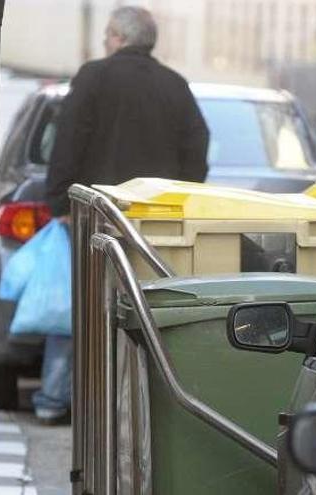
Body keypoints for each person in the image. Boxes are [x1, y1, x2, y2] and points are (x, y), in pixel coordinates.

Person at [41, 6, 210, 423]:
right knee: (146, 312)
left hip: (96, 217)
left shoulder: (94, 77)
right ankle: (141, 405)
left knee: (84, 307)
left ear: (117, 36)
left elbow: (67, 141)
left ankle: (60, 400)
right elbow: (197, 148)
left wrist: (60, 202)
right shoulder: (176, 86)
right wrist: (181, 201)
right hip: (157, 226)